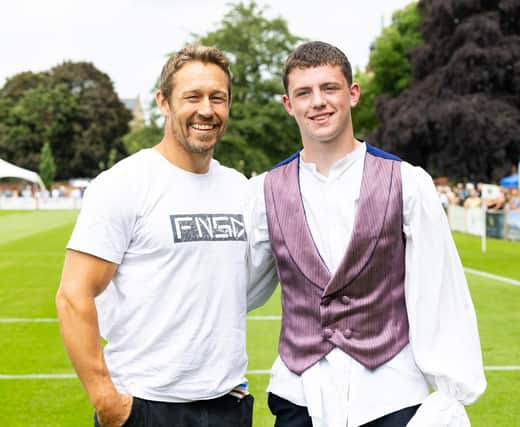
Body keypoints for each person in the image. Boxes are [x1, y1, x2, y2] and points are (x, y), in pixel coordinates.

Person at [246, 41, 486, 427]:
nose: (317, 102)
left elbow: (439, 292)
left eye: (329, 88)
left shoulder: (409, 182)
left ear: (352, 93)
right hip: (299, 394)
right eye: (304, 93)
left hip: (390, 394)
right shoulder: (261, 192)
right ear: (288, 104)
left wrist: (450, 394)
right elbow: (235, 288)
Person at [56, 44, 257, 427]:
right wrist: (108, 403)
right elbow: (72, 295)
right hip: (146, 406)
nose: (207, 110)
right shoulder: (124, 183)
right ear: (163, 102)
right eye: (192, 97)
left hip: (228, 405)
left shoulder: (239, 188)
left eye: (218, 98)